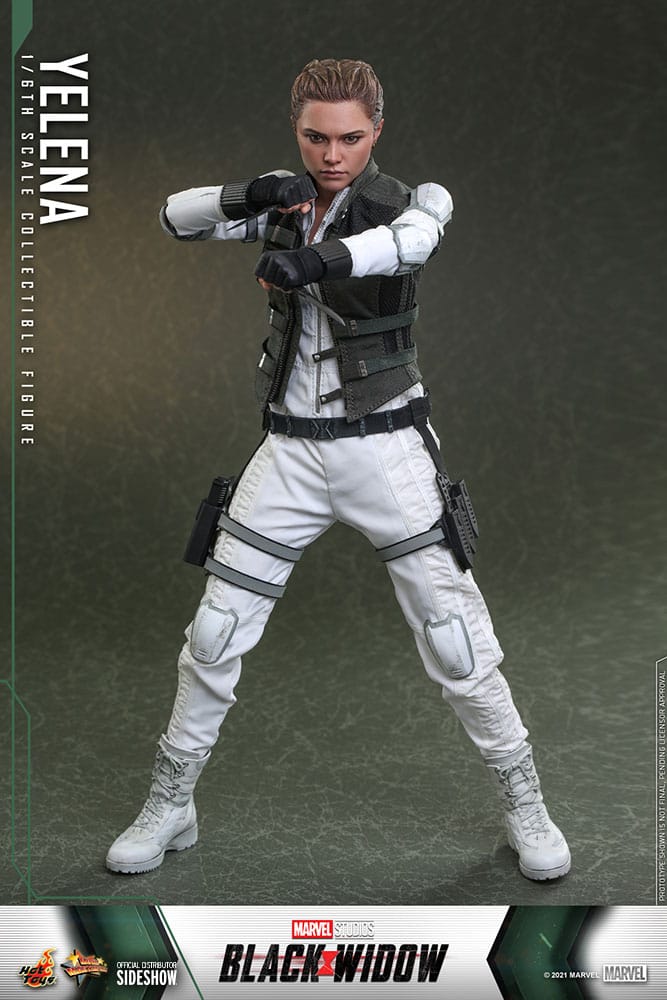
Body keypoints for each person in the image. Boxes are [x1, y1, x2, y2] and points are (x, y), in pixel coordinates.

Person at [106, 58, 570, 882]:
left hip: (383, 448)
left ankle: (524, 803)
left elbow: (409, 244)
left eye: (350, 138)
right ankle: (170, 804)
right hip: (288, 451)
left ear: (375, 132)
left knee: (456, 639)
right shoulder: (285, 203)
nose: (331, 155)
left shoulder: (407, 202)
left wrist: (315, 263)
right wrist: (250, 193)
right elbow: (174, 220)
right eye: (315, 137)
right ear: (297, 131)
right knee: (213, 634)